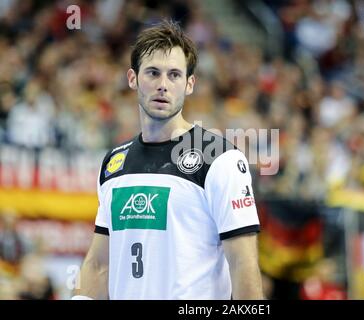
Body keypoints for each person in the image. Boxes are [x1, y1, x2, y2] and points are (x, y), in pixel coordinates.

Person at [73, 20, 264, 300]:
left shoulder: (220, 158)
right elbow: (100, 263)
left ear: (189, 84)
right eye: (153, 73)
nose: (163, 85)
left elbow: (243, 263)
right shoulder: (115, 163)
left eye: (174, 75)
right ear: (132, 78)